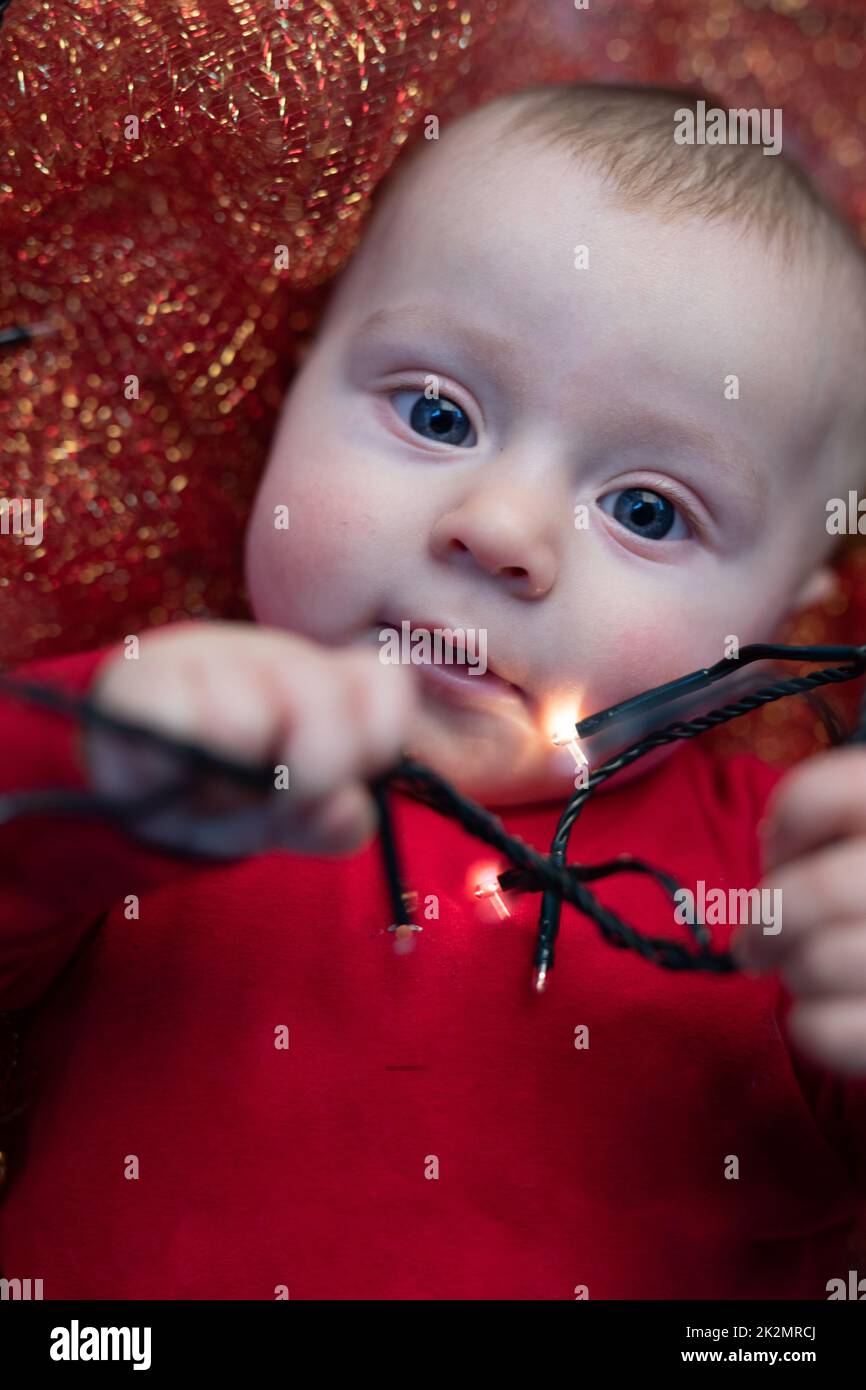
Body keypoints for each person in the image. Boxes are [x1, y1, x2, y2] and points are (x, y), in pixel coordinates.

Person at [2, 85, 866, 1300]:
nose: (500, 529)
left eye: (644, 510)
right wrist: (78, 769)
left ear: (785, 608)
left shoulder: (782, 878)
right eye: (434, 411)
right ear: (293, 384)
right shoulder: (168, 745)